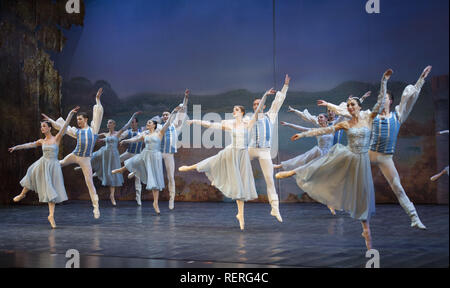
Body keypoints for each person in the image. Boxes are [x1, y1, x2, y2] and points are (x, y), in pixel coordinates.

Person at [276, 69, 393, 250]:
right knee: (323, 168)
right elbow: (324, 130)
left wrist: (384, 81)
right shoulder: (344, 123)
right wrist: (303, 134)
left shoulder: (369, 118)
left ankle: (366, 231)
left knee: (363, 194)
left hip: (362, 160)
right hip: (349, 155)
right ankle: (294, 171)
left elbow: (379, 103)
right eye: (348, 106)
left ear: (359, 107)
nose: (351, 107)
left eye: (353, 105)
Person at [319, 66, 432, 229]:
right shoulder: (371, 116)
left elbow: (411, 98)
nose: (383, 100)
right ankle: (333, 197)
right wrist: (329, 104)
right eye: (381, 97)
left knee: (398, 187)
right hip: (370, 153)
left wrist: (421, 79)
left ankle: (414, 217)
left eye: (385, 97)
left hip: (386, 157)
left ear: (390, 101)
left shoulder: (398, 114)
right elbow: (347, 112)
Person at [179, 88, 276, 230]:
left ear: (242, 112)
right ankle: (191, 167)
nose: (234, 111)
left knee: (240, 187)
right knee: (212, 162)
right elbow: (212, 125)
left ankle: (240, 215)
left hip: (242, 156)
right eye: (233, 110)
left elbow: (258, 109)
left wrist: (265, 96)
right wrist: (194, 121)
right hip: (231, 152)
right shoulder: (230, 124)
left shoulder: (248, 123)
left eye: (236, 109)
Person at [10, 106, 80, 228]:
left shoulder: (56, 138)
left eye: (44, 126)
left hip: (53, 166)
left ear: (49, 128)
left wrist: (70, 114)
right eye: (41, 126)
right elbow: (29, 145)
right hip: (43, 163)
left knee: (51, 191)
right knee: (31, 172)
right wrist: (16, 147)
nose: (42, 128)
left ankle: (51, 216)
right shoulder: (41, 141)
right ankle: (23, 194)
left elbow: (64, 126)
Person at [42, 88, 104, 219]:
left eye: (80, 119)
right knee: (60, 163)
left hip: (85, 159)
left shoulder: (93, 130)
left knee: (89, 183)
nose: (78, 121)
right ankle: (43, 171)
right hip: (75, 155)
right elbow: (63, 127)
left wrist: (97, 99)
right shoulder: (77, 131)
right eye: (77, 119)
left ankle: (96, 207)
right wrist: (51, 121)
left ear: (86, 119)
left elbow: (98, 115)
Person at [112, 106, 182, 215]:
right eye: (147, 123)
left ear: (154, 125)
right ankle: (122, 170)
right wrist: (126, 140)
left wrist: (173, 112)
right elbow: (136, 139)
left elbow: (168, 123)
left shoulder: (160, 133)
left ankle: (155, 203)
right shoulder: (145, 134)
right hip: (145, 153)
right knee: (133, 160)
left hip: (155, 157)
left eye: (149, 123)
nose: (147, 124)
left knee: (154, 181)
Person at [246, 75, 290, 223]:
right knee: (233, 155)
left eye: (258, 104)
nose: (256, 106)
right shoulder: (251, 117)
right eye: (254, 104)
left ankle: (275, 209)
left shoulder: (270, 115)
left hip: (264, 151)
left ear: (264, 106)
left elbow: (278, 101)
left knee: (269, 181)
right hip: (252, 149)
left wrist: (285, 86)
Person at [274, 116, 336, 215]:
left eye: (321, 117)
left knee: (329, 182)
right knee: (302, 160)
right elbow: (302, 129)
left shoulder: (333, 128)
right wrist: (289, 124)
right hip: (319, 155)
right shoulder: (316, 130)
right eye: (318, 118)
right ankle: (281, 166)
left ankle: (331, 204)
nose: (319, 119)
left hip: (329, 157)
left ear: (326, 119)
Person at [89, 111, 141, 206]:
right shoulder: (105, 134)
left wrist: (133, 115)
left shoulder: (118, 133)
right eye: (107, 123)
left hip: (114, 156)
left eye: (110, 123)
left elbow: (126, 125)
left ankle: (112, 196)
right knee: (94, 156)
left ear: (114, 124)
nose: (108, 124)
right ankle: (94, 170)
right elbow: (93, 135)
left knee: (113, 174)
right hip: (105, 154)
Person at [159, 89, 189, 210]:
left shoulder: (175, 126)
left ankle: (172, 199)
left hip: (169, 155)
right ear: (162, 117)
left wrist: (185, 98)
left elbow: (183, 109)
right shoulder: (160, 127)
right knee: (147, 161)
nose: (166, 116)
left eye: (167, 114)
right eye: (164, 115)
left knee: (170, 177)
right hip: (159, 153)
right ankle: (135, 171)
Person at [119, 117, 145, 205]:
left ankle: (138, 198)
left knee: (138, 177)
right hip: (128, 153)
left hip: (137, 154)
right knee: (116, 160)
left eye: (134, 122)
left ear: (137, 123)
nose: (132, 124)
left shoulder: (142, 131)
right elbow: (120, 136)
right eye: (131, 123)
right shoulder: (128, 132)